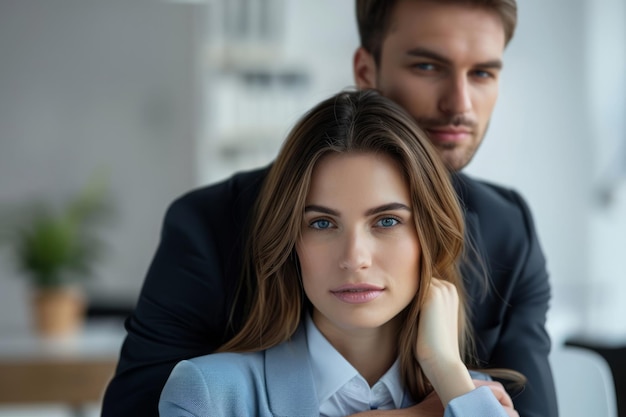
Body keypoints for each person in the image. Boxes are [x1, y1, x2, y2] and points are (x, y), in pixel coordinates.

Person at [102, 1, 557, 416]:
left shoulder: (508, 228)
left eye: (482, 73)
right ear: (366, 69)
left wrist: (449, 379)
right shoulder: (208, 226)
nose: (459, 104)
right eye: (426, 65)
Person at [159, 89, 520, 416]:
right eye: (322, 224)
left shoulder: (471, 394)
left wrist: (444, 367)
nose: (354, 257)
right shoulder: (207, 395)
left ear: (430, 234)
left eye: (387, 221)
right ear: (290, 241)